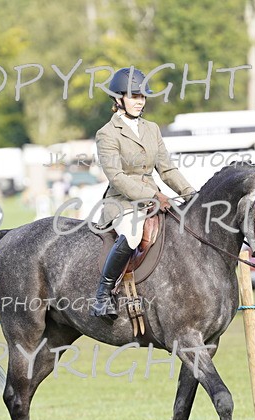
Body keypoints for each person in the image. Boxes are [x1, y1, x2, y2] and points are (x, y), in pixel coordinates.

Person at [89, 67, 197, 321]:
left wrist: (190, 193)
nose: (140, 102)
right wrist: (150, 197)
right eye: (134, 96)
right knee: (133, 234)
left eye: (142, 97)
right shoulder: (107, 133)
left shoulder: (152, 129)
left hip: (154, 198)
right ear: (118, 99)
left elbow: (167, 168)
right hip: (122, 201)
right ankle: (103, 295)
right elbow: (116, 177)